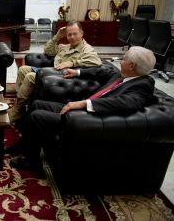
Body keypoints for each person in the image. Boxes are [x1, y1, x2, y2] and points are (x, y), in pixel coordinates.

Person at [10, 46, 156, 171]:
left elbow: (126, 103)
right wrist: (77, 72)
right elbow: (102, 71)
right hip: (80, 109)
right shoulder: (126, 75)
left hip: (86, 118)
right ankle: (26, 146)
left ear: (131, 66)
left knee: (37, 116)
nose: (120, 61)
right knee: (37, 104)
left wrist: (82, 104)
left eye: (123, 59)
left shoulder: (142, 86)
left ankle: (33, 161)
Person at [9, 21, 102, 122]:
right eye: (69, 34)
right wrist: (57, 36)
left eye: (75, 34)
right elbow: (48, 50)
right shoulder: (65, 47)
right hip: (51, 71)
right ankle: (21, 105)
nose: (71, 37)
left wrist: (73, 63)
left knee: (30, 77)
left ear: (81, 33)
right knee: (23, 69)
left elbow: (96, 61)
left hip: (62, 77)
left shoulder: (87, 49)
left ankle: (17, 111)